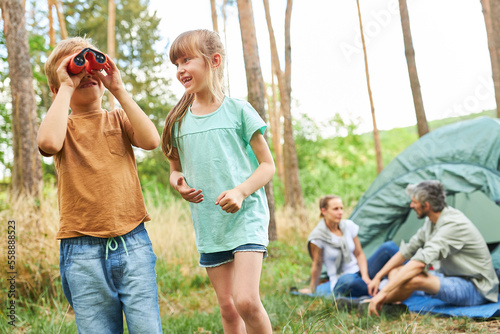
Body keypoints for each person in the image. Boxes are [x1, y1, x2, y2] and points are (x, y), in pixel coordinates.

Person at [37, 37, 162, 333]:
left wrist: (118, 87)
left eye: (90, 65)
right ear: (57, 88)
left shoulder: (119, 118)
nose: (85, 73)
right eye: (74, 69)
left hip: (133, 241)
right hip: (81, 250)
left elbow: (151, 140)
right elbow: (47, 143)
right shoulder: (62, 127)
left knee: (147, 328)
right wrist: (66, 86)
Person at [161, 30, 275, 334]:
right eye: (176, 63)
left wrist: (240, 191)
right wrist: (178, 183)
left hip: (246, 216)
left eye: (187, 59)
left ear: (214, 61)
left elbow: (267, 166)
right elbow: (174, 169)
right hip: (210, 223)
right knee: (228, 308)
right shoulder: (177, 121)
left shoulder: (239, 111)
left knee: (246, 301)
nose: (180, 68)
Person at [366, 180, 499, 316]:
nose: (411, 205)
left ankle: (370, 304)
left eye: (414, 202)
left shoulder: (453, 225)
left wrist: (384, 292)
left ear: (427, 205)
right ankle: (389, 304)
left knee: (415, 278)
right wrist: (378, 276)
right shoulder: (431, 221)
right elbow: (406, 251)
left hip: (475, 288)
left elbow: (418, 264)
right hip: (450, 277)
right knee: (397, 271)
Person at [299, 195, 399, 297]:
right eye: (335, 209)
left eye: (341, 208)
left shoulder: (348, 226)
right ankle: (384, 288)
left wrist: (365, 276)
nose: (340, 212)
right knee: (349, 280)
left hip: (359, 272)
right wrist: (312, 289)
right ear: (324, 211)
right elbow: (317, 264)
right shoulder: (317, 237)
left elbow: (359, 253)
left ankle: (412, 273)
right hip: (342, 280)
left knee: (389, 247)